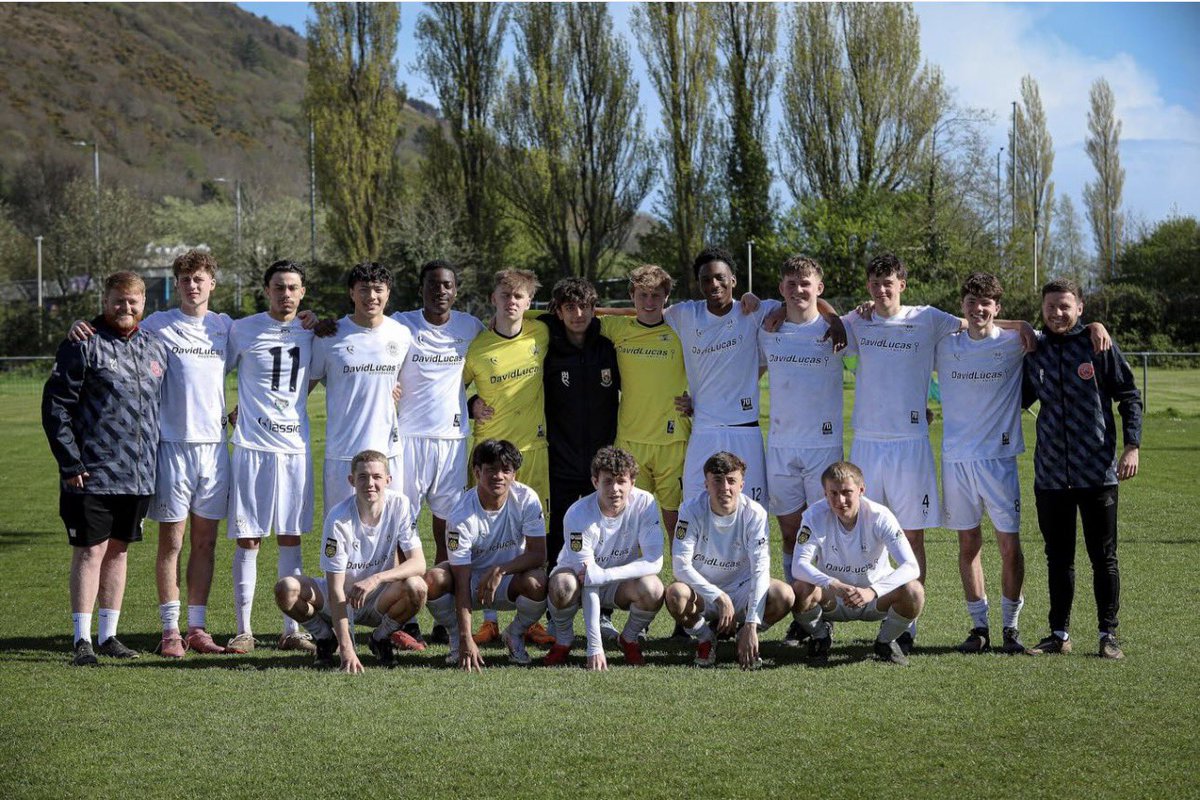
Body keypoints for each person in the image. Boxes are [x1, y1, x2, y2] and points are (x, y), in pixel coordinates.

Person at [837, 252, 1034, 653]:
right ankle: (885, 618)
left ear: (902, 284)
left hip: (919, 446)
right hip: (872, 444)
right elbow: (819, 322)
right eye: (874, 282)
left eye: (888, 281)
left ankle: (910, 625)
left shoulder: (928, 318)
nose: (881, 289)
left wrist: (1026, 323)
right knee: (869, 535)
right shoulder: (859, 320)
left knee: (913, 536)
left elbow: (980, 322)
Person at [67, 250, 234, 658]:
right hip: (170, 448)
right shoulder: (157, 325)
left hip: (214, 449)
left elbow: (269, 355)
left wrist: (309, 320)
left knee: (207, 543)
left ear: (212, 283)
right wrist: (81, 325)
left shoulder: (227, 328)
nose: (192, 286)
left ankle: (197, 627)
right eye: (184, 279)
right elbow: (116, 321)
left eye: (200, 279)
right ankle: (170, 630)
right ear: (175, 285)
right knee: (171, 543)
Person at [43, 271, 168, 665]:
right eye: (118, 300)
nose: (125, 308)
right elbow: (55, 407)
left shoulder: (154, 347)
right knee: (89, 551)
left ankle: (109, 635)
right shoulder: (83, 343)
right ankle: (82, 639)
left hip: (139, 473)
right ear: (105, 299)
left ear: (143, 304)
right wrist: (70, 461)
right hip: (90, 472)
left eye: (132, 301)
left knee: (119, 551)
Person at [1022, 278, 1141, 660]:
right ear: (1042, 309)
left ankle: (1108, 635)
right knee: (1058, 559)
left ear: (1080, 308)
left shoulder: (1097, 344)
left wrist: (1132, 447)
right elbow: (1018, 398)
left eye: (1065, 307)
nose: (1058, 313)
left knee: (1103, 557)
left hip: (1098, 473)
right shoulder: (1033, 349)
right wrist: (1020, 328)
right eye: (1051, 307)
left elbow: (1129, 395)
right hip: (1052, 476)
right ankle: (1059, 633)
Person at [224, 260, 317, 654]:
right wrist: (227, 409)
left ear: (302, 292)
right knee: (249, 539)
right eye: (279, 287)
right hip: (252, 449)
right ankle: (244, 630)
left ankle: (291, 629)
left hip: (294, 448)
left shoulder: (314, 332)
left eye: (293, 287)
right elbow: (214, 370)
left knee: (290, 537)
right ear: (267, 290)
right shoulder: (242, 329)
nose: (286, 294)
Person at [391, 259, 484, 644]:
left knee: (447, 527)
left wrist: (475, 399)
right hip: (407, 439)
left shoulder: (470, 326)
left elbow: (494, 362)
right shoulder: (400, 323)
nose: (440, 291)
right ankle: (403, 613)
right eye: (433, 285)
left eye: (446, 285)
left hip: (451, 441)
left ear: (456, 290)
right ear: (422, 289)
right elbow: (362, 328)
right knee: (400, 526)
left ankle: (444, 615)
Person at [756, 255, 847, 645]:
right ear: (781, 289)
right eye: (791, 284)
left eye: (806, 283)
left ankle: (821, 610)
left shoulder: (837, 330)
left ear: (819, 288)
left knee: (821, 535)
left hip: (823, 448)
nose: (799, 290)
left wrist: (837, 315)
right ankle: (803, 615)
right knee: (791, 534)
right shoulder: (766, 328)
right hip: (780, 447)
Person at [934, 273, 1028, 654]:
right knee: (968, 543)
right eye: (972, 302)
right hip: (956, 460)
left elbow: (1061, 325)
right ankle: (979, 628)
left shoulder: (1014, 341)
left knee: (1008, 545)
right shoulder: (944, 344)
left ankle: (1010, 627)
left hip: (998, 460)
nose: (978, 310)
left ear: (997, 308)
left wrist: (1098, 326)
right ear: (963, 306)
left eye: (986, 303)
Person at [597, 264, 691, 638]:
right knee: (622, 527)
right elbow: (574, 315)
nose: (649, 302)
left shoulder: (682, 328)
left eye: (656, 296)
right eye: (642, 295)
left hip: (673, 443)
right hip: (630, 443)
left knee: (676, 530)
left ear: (667, 298)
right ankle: (610, 609)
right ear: (632, 297)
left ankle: (686, 612)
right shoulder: (617, 329)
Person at [462, 270, 554, 647]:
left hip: (533, 451)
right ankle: (487, 621)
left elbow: (586, 314)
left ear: (529, 303)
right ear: (493, 297)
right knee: (486, 535)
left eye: (519, 296)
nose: (511, 301)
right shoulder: (477, 346)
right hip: (488, 456)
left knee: (533, 534)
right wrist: (470, 404)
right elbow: (447, 386)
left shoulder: (541, 333)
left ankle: (531, 619)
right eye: (505, 295)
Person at [274, 450, 427, 672]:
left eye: (376, 476)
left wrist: (375, 579)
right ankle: (325, 638)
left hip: (380, 599)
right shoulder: (338, 519)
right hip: (343, 596)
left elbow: (418, 564)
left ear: (388, 480)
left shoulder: (400, 505)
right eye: (363, 477)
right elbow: (336, 590)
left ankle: (380, 637)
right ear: (352, 480)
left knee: (418, 586)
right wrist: (347, 648)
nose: (370, 483)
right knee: (285, 588)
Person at [539, 277, 621, 637]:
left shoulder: (608, 347)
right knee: (558, 536)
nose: (577, 314)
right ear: (557, 311)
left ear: (594, 308)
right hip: (558, 459)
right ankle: (557, 613)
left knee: (604, 535)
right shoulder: (547, 348)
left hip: (600, 465)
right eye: (569, 307)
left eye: (584, 306)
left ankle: (603, 612)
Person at [423, 440, 549, 670]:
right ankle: (455, 639)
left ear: (515, 475)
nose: (498, 476)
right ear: (477, 471)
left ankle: (515, 634)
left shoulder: (527, 499)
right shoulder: (461, 514)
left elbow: (538, 555)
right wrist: (465, 636)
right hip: (470, 583)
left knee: (538, 581)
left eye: (506, 470)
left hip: (508, 581)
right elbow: (461, 581)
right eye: (491, 469)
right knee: (432, 580)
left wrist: (501, 570)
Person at [665, 452, 795, 669]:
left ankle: (743, 633)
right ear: (706, 484)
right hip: (704, 593)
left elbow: (760, 570)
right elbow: (680, 565)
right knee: (675, 594)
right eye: (717, 480)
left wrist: (752, 623)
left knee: (784, 595)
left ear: (741, 484)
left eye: (731, 481)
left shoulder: (755, 514)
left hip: (741, 590)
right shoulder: (691, 509)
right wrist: (719, 597)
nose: (724, 487)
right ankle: (706, 637)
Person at [790, 461, 925, 666]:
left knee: (914, 591)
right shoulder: (814, 515)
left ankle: (885, 641)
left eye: (847, 492)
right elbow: (798, 566)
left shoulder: (880, 516)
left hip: (874, 599)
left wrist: (873, 590)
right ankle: (820, 636)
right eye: (833, 493)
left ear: (861, 490)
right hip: (833, 597)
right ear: (825, 493)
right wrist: (832, 583)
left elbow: (911, 566)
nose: (840, 500)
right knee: (800, 588)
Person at [544, 447, 664, 669]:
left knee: (654, 588)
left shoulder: (645, 503)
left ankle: (628, 638)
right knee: (562, 585)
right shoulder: (578, 513)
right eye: (608, 481)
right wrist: (595, 646)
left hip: (617, 583)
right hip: (578, 582)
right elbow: (589, 580)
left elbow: (655, 561)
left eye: (621, 481)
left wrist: (606, 575)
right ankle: (563, 639)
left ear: (633, 482)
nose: (615, 489)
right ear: (594, 482)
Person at [309, 262, 411, 515]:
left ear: (388, 293)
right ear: (351, 293)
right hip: (343, 453)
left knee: (389, 531)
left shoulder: (401, 334)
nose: (371, 297)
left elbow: (406, 382)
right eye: (364, 289)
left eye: (378, 289)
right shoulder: (329, 336)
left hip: (388, 452)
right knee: (341, 530)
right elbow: (302, 390)